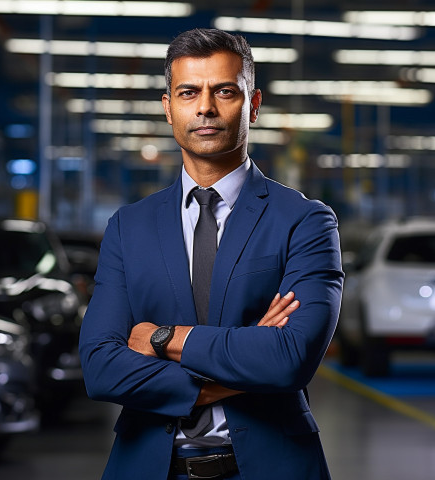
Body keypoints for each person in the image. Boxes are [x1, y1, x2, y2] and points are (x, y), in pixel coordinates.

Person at [79, 28, 343, 480]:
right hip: (147, 466)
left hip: (271, 466)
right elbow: (101, 368)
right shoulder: (128, 227)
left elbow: (289, 359)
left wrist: (162, 339)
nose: (205, 107)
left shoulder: (304, 221)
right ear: (168, 108)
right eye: (188, 92)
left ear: (253, 105)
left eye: (224, 91)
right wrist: (237, 369)